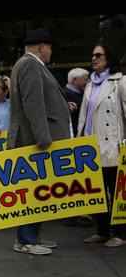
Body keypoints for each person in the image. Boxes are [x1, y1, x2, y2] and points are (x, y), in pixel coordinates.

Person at [7, 28, 72, 255]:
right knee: (33, 191)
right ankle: (26, 239)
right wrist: (44, 137)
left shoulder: (25, 64)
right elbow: (33, 103)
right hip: (33, 140)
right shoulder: (30, 64)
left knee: (37, 191)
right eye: (50, 48)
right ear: (42, 46)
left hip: (31, 138)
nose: (51, 52)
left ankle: (31, 236)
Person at [77, 42, 126, 247]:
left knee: (117, 192)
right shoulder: (90, 84)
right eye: (93, 55)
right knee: (96, 191)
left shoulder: (120, 82)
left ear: (109, 58)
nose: (94, 58)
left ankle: (121, 233)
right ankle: (102, 231)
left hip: (113, 145)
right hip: (91, 146)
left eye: (98, 55)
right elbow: (84, 117)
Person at [62, 67, 89, 136]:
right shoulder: (65, 94)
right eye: (85, 80)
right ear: (75, 80)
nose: (88, 82)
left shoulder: (82, 93)